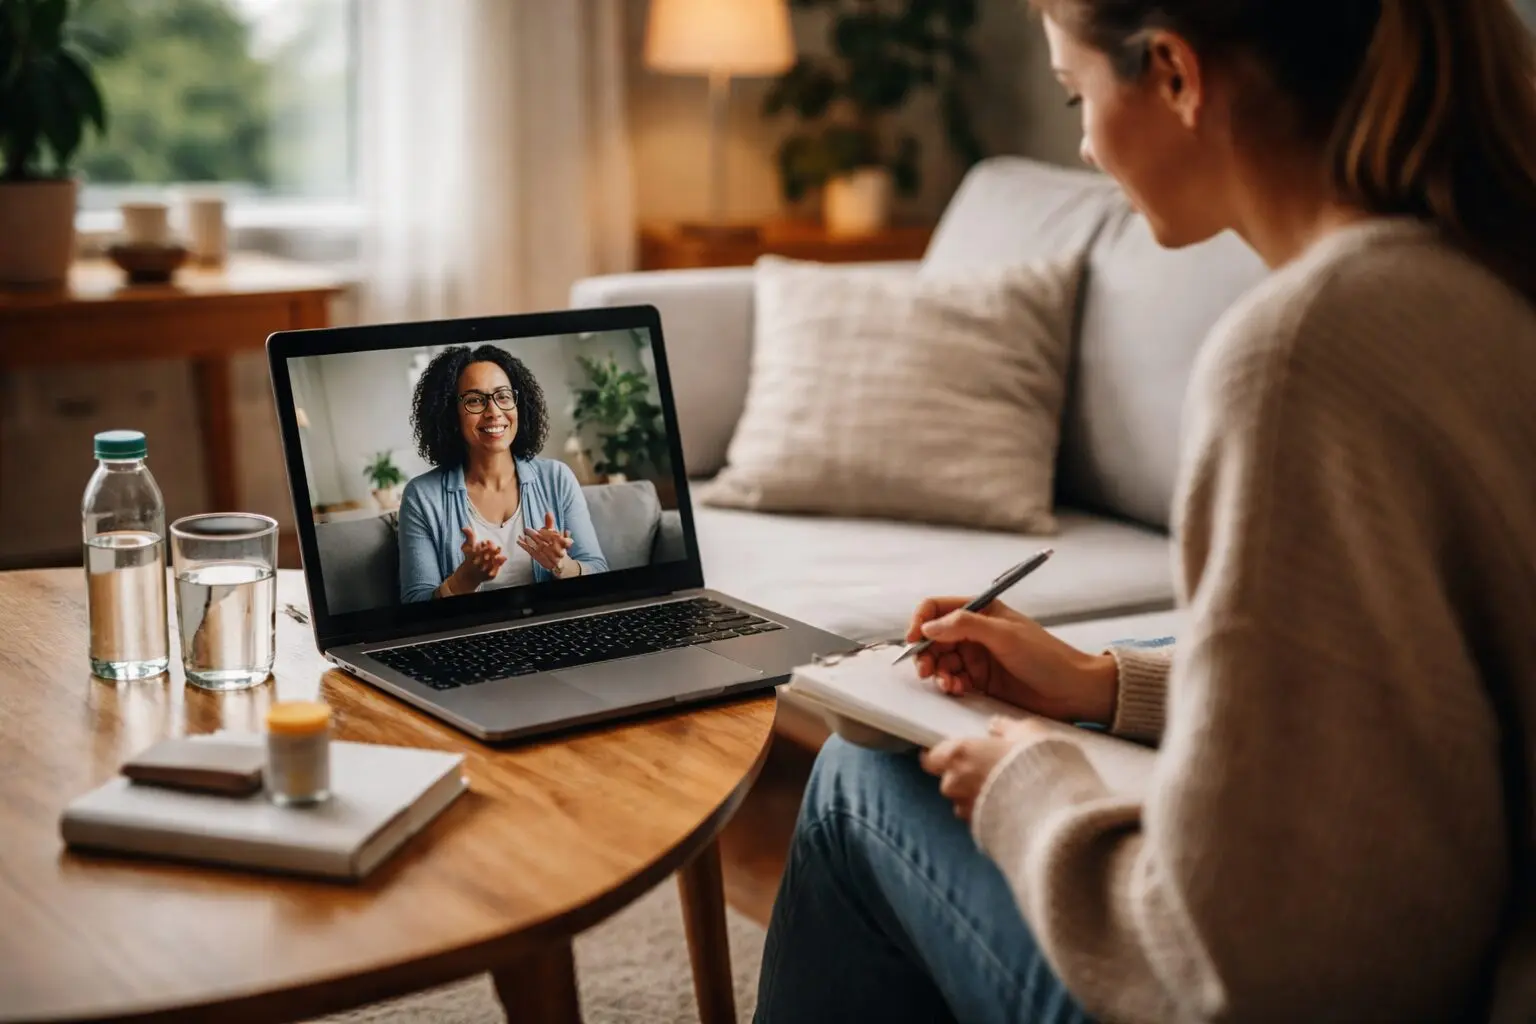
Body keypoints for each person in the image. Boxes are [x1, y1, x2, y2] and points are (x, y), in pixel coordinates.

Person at [754, 0, 1536, 1021]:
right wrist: (1099, 684)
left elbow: (1236, 971)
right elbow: (1413, 695)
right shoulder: (1480, 270)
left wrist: (1034, 784)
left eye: (1077, 95)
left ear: (1174, 72)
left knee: (864, 781)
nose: (1080, 144)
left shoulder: (1304, 352)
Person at [398, 344, 607, 603]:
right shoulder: (422, 496)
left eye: (503, 396)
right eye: (475, 400)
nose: (494, 411)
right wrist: (464, 580)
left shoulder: (557, 478)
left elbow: (599, 571)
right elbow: (413, 603)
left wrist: (562, 564)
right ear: (450, 414)